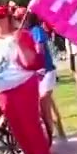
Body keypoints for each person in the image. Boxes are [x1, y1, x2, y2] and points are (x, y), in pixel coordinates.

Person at [0, 5, 53, 154]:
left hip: (23, 85)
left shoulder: (21, 35)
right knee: (17, 129)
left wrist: (20, 44)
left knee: (31, 124)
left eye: (1, 17)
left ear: (9, 19)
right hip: (3, 92)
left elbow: (34, 62)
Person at [25, 13, 67, 142]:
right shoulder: (26, 33)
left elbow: (40, 50)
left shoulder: (36, 30)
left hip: (46, 70)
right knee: (48, 103)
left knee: (44, 103)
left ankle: (50, 134)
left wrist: (36, 65)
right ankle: (59, 131)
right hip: (38, 73)